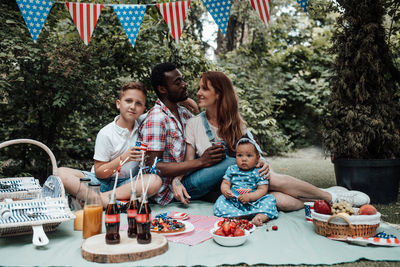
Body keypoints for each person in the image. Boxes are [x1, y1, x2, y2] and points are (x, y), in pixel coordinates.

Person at [173, 70, 370, 210]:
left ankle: (317, 198)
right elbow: (188, 163)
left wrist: (264, 164)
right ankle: (332, 196)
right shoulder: (194, 124)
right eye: (199, 88)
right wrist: (177, 180)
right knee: (235, 161)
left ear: (219, 94)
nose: (198, 93)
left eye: (204, 89)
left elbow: (255, 153)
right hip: (203, 184)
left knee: (283, 201)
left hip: (236, 186)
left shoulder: (236, 123)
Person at [58, 82, 162, 207]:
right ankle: (106, 200)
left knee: (155, 180)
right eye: (128, 101)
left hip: (127, 184)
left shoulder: (143, 125)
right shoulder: (106, 133)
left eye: (138, 103)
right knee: (60, 173)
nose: (133, 107)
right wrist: (123, 158)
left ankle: (99, 200)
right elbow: (100, 172)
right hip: (101, 182)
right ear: (118, 104)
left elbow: (160, 106)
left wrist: (186, 101)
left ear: (143, 109)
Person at [214, 138, 278, 226]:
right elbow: (225, 183)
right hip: (234, 200)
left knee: (269, 201)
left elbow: (262, 189)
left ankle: (259, 217)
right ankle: (236, 216)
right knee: (220, 202)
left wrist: (250, 197)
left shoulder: (259, 171)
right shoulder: (232, 169)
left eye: (248, 156)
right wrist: (226, 191)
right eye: (240, 155)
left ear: (257, 158)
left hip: (254, 201)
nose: (244, 159)